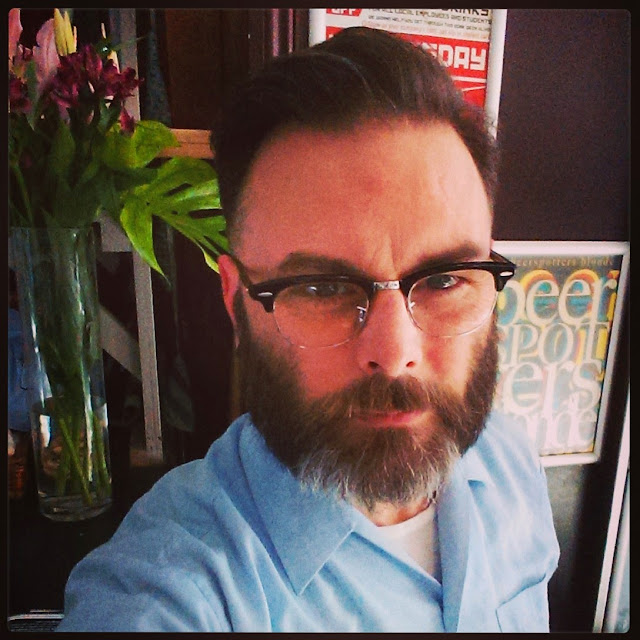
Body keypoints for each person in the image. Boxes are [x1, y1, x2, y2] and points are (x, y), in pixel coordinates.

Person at [57, 27, 559, 632]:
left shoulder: (510, 464)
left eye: (446, 279)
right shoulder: (170, 592)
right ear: (236, 302)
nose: (395, 352)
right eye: (322, 288)